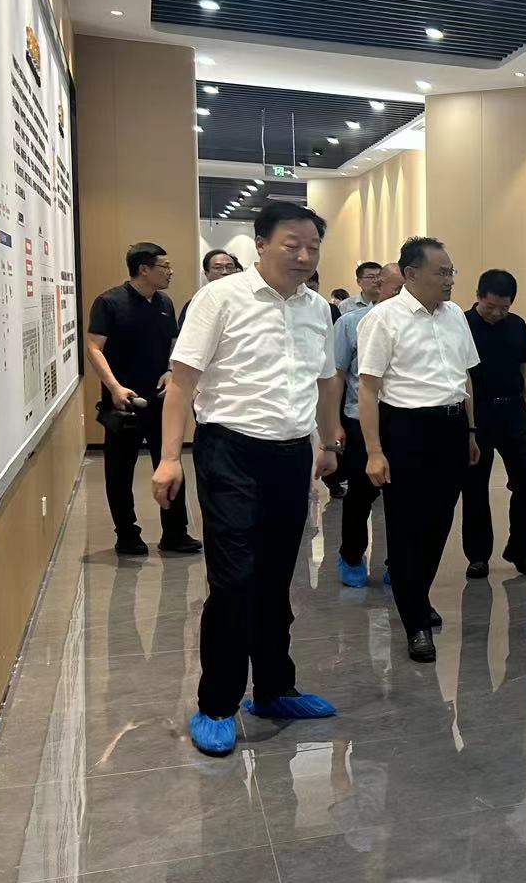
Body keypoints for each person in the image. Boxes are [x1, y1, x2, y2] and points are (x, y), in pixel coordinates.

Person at [151, 202, 343, 756]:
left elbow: (325, 381)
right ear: (260, 243)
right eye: (292, 244)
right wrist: (169, 458)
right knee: (235, 580)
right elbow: (182, 383)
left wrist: (327, 442)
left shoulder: (317, 309)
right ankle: (216, 703)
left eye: (312, 247)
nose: (304, 256)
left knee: (278, 579)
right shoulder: (219, 298)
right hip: (229, 451)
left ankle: (275, 689)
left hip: (291, 454)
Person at [357, 237, 481, 663]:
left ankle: (417, 595)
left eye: (451, 272)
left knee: (439, 524)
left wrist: (471, 431)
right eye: (441, 273)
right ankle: (415, 624)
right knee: (408, 528)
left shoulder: (455, 316)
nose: (449, 280)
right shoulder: (383, 319)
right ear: (411, 274)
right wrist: (374, 451)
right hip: (406, 430)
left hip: (451, 427)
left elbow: (465, 378)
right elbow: (368, 390)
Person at [87, 242, 202, 557]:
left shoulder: (164, 302)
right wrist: (114, 387)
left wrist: (170, 370)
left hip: (161, 399)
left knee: (169, 462)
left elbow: (174, 343)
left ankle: (175, 533)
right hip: (123, 402)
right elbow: (94, 347)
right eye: (165, 266)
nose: (170, 272)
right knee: (119, 472)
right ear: (144, 269)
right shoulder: (109, 302)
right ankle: (127, 535)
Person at [461, 268, 526, 578]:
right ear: (479, 297)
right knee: (475, 487)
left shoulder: (517, 324)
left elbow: (525, 370)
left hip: (513, 413)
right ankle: (478, 555)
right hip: (477, 415)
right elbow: (463, 377)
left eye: (504, 307)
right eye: (490, 306)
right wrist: (470, 427)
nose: (497, 313)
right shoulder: (463, 324)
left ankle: (519, 550)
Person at [332, 262, 403, 587]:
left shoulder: (414, 323)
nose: (402, 295)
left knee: (400, 497)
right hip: (359, 419)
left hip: (400, 420)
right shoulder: (351, 323)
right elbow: (337, 376)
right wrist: (333, 424)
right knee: (361, 494)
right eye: (396, 289)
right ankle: (351, 556)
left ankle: (397, 562)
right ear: (379, 287)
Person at [178, 250, 241, 328]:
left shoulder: (244, 299)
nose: (225, 272)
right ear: (207, 274)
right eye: (218, 268)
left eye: (229, 267)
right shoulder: (198, 303)